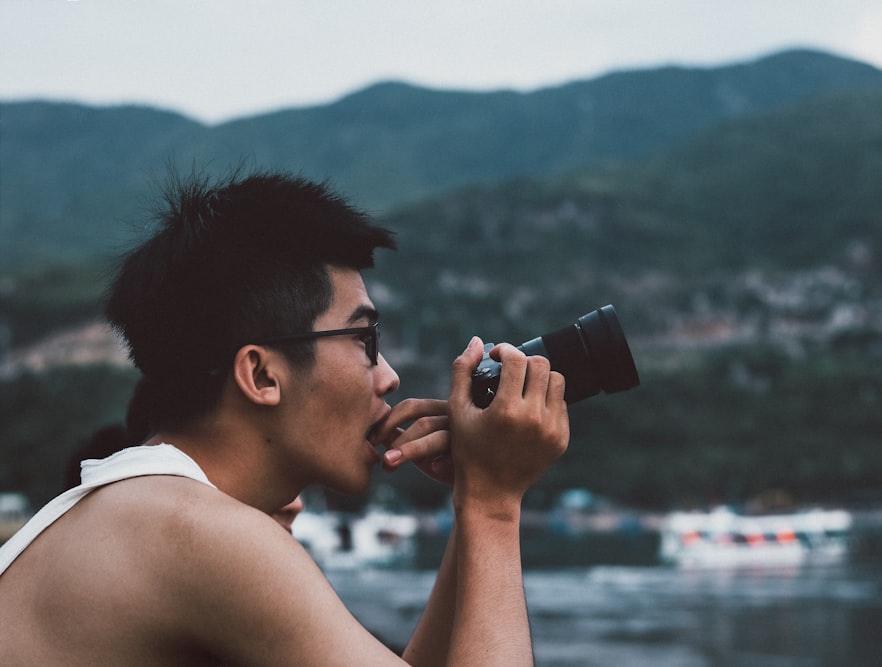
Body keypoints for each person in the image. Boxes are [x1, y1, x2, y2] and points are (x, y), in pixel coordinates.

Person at [0, 168, 569, 665]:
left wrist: (476, 499)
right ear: (263, 376)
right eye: (365, 340)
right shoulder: (193, 531)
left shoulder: (148, 509)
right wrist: (495, 507)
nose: (388, 375)